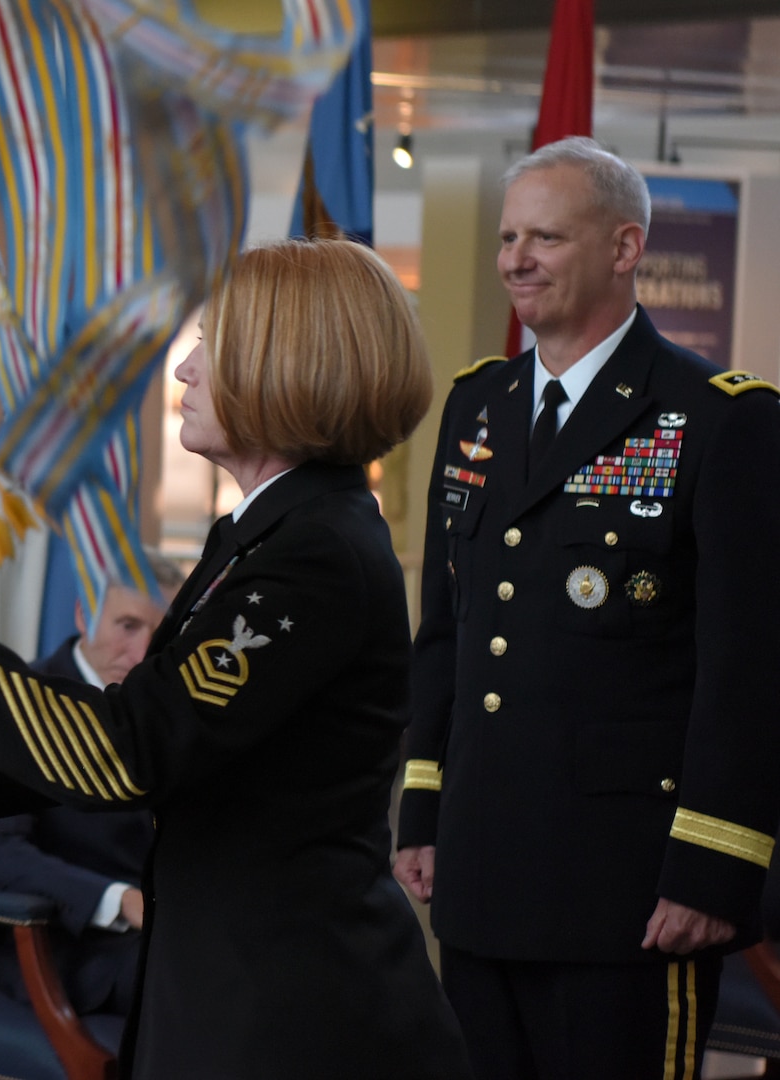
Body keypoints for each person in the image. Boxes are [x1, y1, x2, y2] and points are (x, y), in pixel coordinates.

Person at [0, 239, 473, 1079]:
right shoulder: (269, 535)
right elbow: (113, 751)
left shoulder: (313, 554)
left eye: (213, 343)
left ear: (285, 364)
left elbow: (128, 751)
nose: (187, 370)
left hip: (291, 1013)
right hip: (229, 986)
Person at [394, 136, 780, 1079]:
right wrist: (423, 809)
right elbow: (445, 627)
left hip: (630, 891)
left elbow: (750, 668)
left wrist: (713, 870)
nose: (517, 260)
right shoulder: (477, 406)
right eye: (509, 236)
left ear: (625, 246)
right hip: (484, 873)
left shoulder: (720, 417)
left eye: (547, 238)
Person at [0, 560, 181, 1019]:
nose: (142, 652)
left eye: (160, 634)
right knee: (208, 982)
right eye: (127, 625)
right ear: (83, 614)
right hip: (63, 946)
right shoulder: (20, 709)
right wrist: (117, 900)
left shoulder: (175, 716)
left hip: (172, 931)